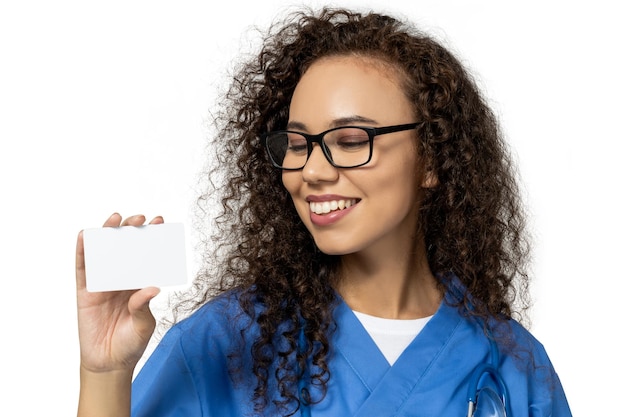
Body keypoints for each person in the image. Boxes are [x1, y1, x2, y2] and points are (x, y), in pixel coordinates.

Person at [75, 7, 572, 417]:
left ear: (433, 159)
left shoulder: (511, 367)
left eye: (352, 140)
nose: (311, 170)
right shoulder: (228, 342)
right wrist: (105, 374)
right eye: (296, 144)